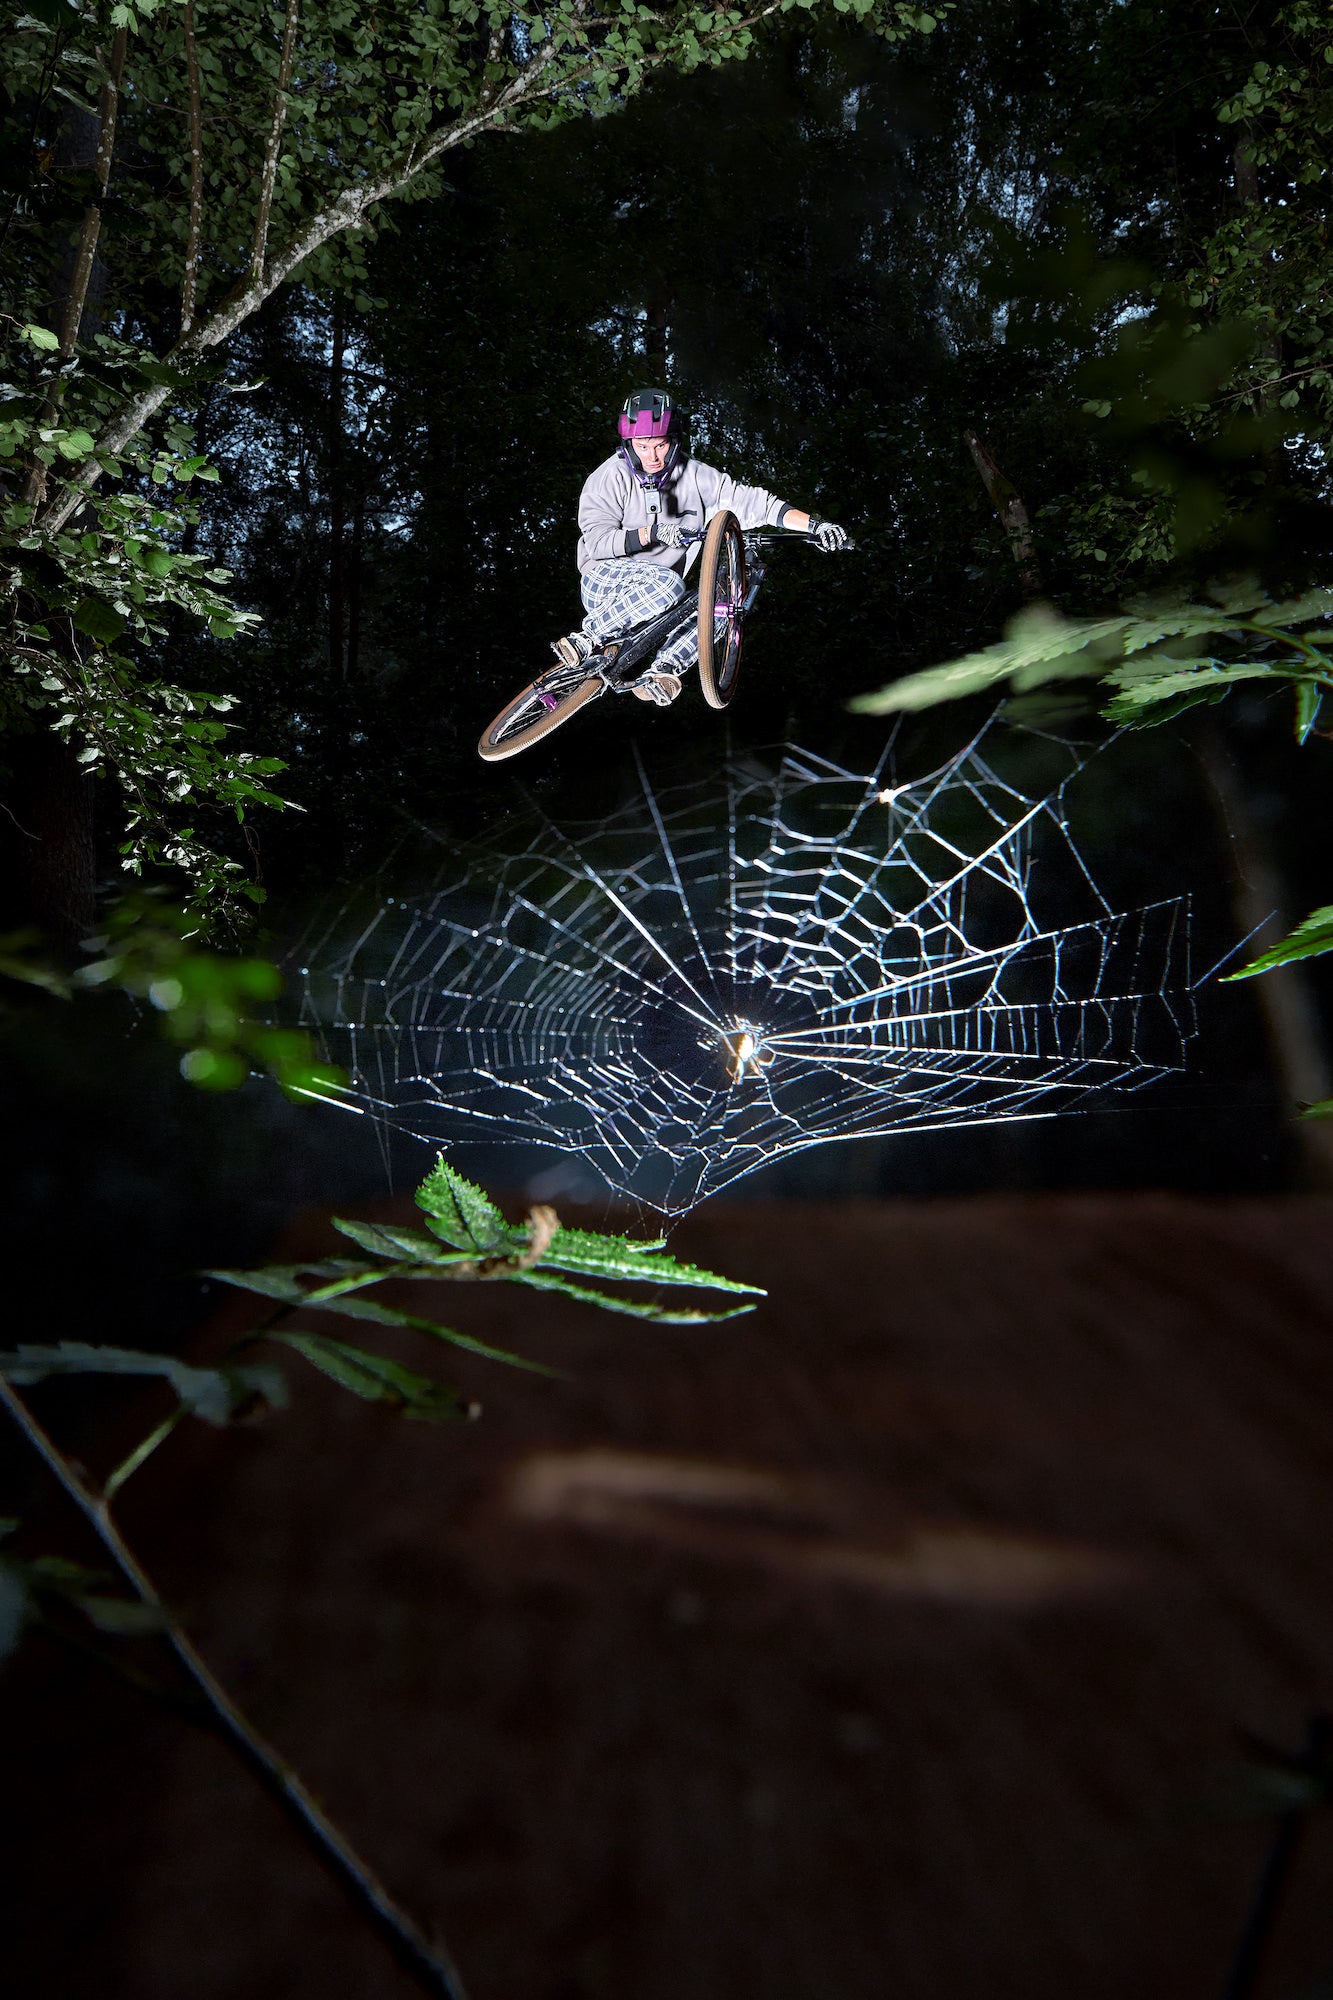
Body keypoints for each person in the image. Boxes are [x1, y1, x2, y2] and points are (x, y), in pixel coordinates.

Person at [554, 387, 849, 706]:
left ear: (674, 440)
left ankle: (662, 672)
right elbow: (598, 542)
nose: (652, 456)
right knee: (667, 584)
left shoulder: (695, 476)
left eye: (661, 445)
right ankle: (585, 639)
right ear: (629, 444)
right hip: (605, 580)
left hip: (659, 598)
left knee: (721, 610)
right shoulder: (608, 478)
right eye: (642, 446)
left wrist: (816, 525)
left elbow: (754, 503)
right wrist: (649, 533)